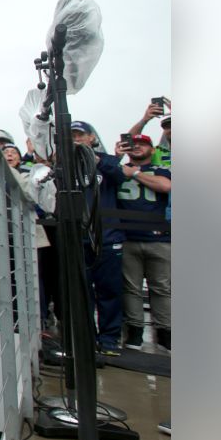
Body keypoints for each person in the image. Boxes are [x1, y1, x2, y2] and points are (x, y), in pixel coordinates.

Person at [72, 120, 126, 356]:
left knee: (109, 289)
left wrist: (99, 161)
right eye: (72, 135)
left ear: (91, 137)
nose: (76, 138)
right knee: (82, 291)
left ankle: (110, 338)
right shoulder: (66, 165)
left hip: (107, 237)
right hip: (78, 237)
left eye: (80, 134)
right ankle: (87, 338)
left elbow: (120, 177)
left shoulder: (108, 161)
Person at [114, 134, 171, 351]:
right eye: (134, 144)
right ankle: (135, 333)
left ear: (153, 149)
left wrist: (135, 173)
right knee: (131, 288)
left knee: (162, 288)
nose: (137, 146)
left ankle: (166, 333)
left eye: (143, 144)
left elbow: (166, 186)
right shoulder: (118, 170)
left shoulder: (162, 170)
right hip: (127, 238)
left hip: (160, 239)